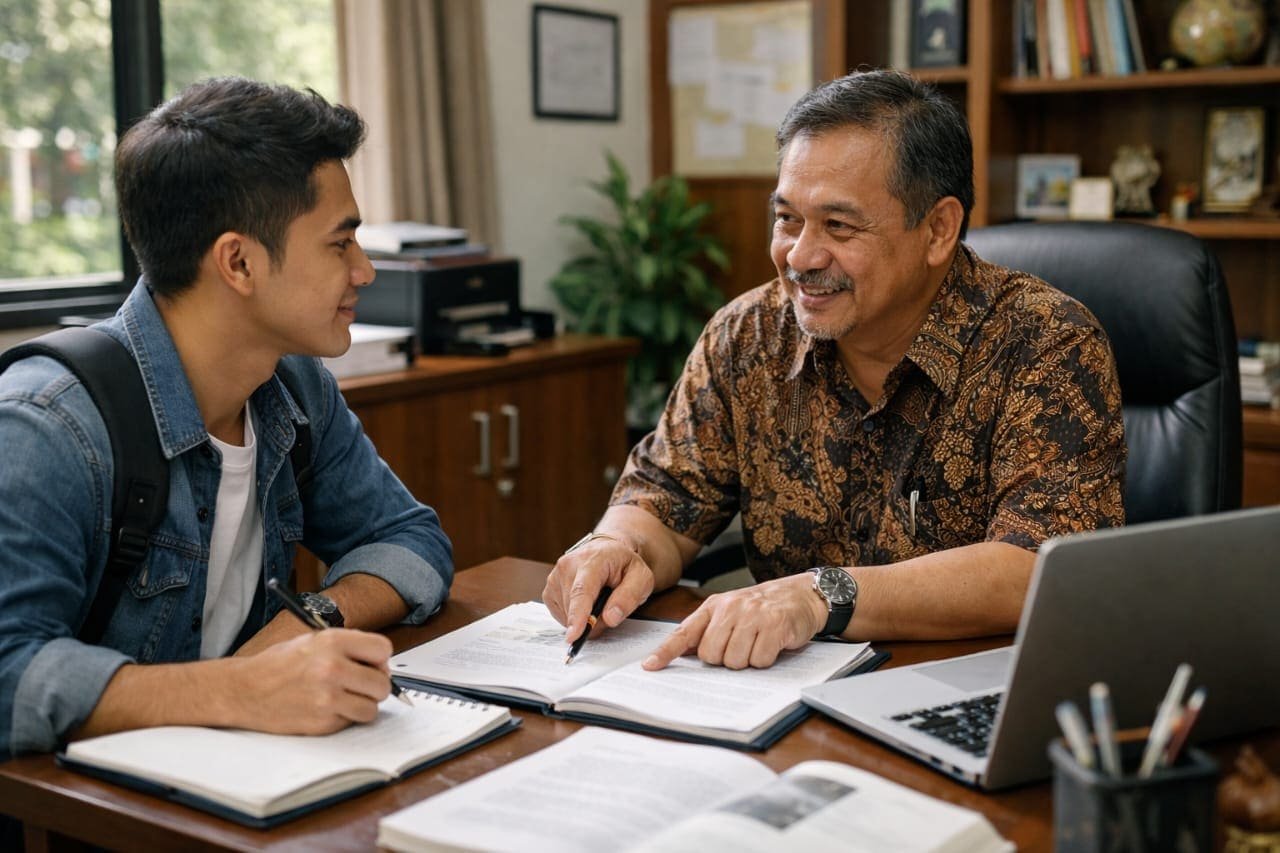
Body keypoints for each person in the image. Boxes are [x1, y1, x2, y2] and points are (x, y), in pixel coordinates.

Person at [544, 69, 1125, 671]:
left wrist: (821, 593)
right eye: (787, 219)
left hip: (968, 693)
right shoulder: (748, 335)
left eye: (839, 226)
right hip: (779, 691)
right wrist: (617, 545)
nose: (799, 257)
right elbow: (665, 497)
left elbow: (1039, 565)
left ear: (938, 229)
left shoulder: (1045, 341)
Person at [0, 78, 453, 765]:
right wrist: (238, 689)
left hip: (235, 785)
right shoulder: (47, 428)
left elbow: (410, 538)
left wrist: (312, 619)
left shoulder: (293, 387)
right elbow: (9, 677)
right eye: (340, 244)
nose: (364, 270)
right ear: (238, 261)